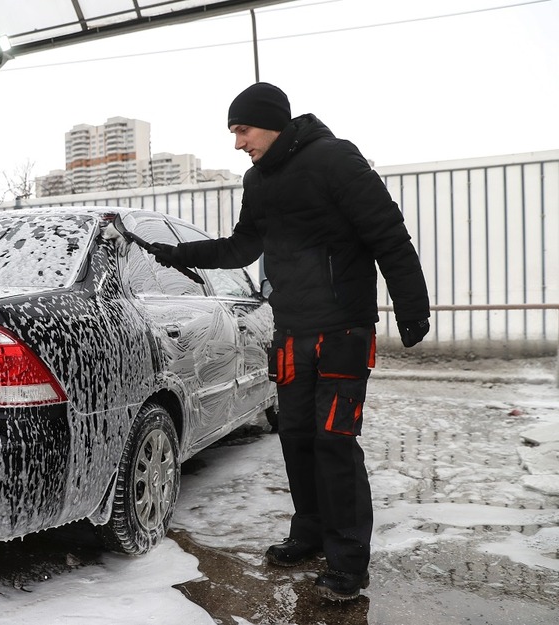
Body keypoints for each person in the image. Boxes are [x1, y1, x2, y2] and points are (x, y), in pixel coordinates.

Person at [151, 82, 430, 601]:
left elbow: (388, 233)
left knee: (334, 440)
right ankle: (310, 532)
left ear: (272, 122)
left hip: (344, 328)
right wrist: (176, 255)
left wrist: (413, 307)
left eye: (243, 129)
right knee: (297, 436)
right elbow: (241, 246)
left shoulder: (335, 159)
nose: (237, 143)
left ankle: (348, 561)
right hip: (291, 331)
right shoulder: (257, 180)